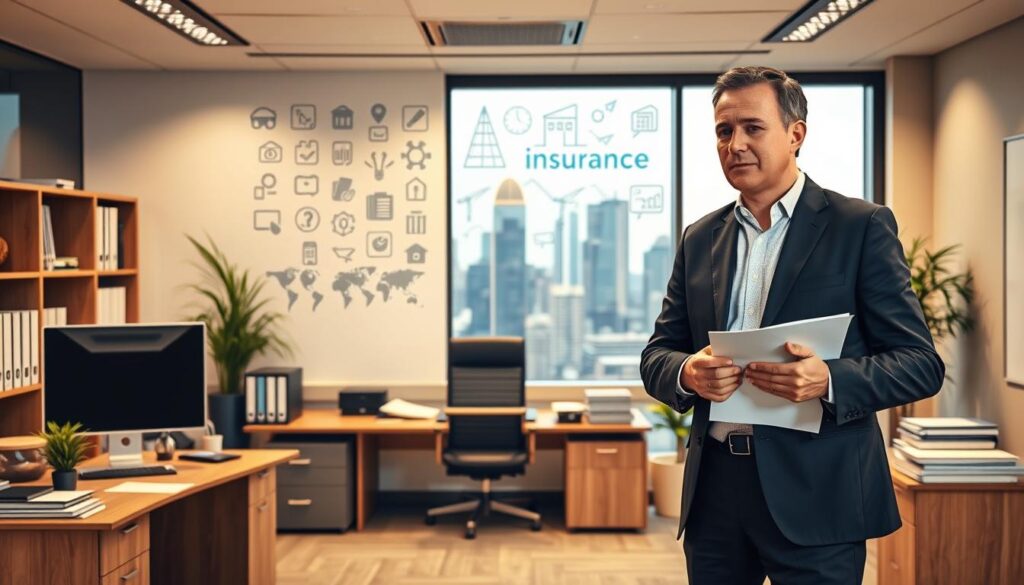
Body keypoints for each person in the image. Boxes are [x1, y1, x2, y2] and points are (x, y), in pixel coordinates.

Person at [640, 66, 944, 585]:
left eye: (752, 128)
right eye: (723, 131)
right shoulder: (699, 238)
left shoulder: (860, 227)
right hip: (716, 494)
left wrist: (828, 379)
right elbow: (658, 355)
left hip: (818, 493)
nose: (735, 144)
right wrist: (688, 372)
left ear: (795, 133)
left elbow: (921, 364)